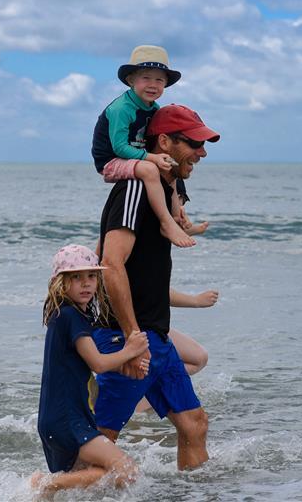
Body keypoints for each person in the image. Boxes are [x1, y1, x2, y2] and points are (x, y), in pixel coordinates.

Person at [93, 103, 220, 470]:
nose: (202, 152)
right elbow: (110, 264)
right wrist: (133, 338)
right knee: (101, 441)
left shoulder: (168, 186)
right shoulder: (134, 188)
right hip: (127, 337)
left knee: (194, 424)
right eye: (194, 143)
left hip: (156, 336)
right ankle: (47, 491)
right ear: (164, 142)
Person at [33, 244, 149, 497]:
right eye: (76, 277)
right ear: (61, 283)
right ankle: (44, 482)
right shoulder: (70, 316)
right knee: (127, 471)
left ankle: (47, 485)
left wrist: (124, 364)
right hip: (66, 418)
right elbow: (97, 363)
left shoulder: (66, 316)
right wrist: (132, 349)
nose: (86, 284)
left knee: (85, 483)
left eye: (92, 277)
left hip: (62, 417)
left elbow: (85, 364)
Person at [92, 45, 195, 248]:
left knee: (170, 166)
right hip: (112, 161)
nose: (153, 84)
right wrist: (152, 158)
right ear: (131, 80)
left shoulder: (154, 109)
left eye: (159, 80)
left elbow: (155, 144)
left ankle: (177, 218)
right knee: (150, 169)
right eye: (146, 78)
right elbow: (120, 147)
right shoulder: (122, 109)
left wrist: (169, 163)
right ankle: (166, 223)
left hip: (136, 156)